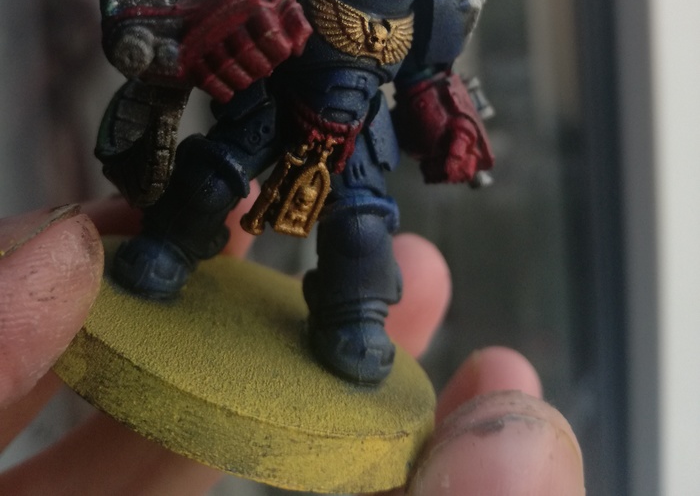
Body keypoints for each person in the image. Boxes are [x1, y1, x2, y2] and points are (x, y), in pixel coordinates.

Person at [0, 198, 585, 495]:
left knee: (360, 226)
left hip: (348, 136)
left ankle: (353, 317)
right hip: (263, 109)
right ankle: (168, 247)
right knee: (213, 180)